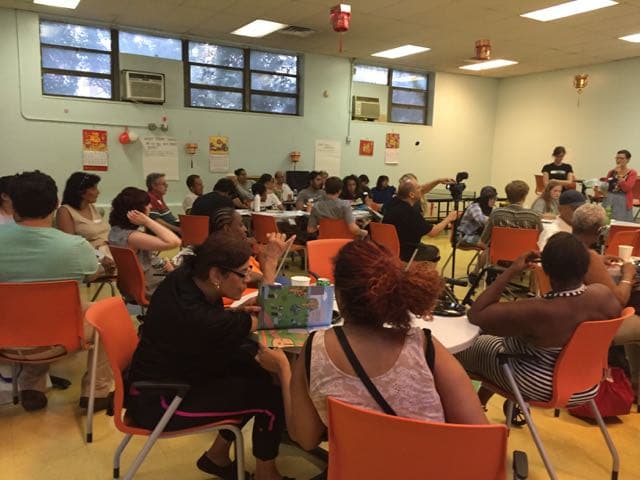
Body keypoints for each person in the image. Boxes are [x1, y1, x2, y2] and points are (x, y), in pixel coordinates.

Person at [264, 240, 487, 451]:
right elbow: (480, 438)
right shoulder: (424, 348)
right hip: (428, 468)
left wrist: (284, 369)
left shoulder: (316, 349)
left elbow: (306, 438)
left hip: (355, 470)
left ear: (338, 295)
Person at [125, 232, 293, 480]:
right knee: (270, 397)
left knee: (255, 369)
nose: (247, 279)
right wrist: (268, 265)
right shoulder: (200, 318)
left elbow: (223, 323)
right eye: (243, 273)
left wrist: (238, 313)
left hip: (170, 375)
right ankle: (266, 475)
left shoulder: (186, 278)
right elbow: (269, 315)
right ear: (216, 275)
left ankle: (217, 456)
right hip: (161, 401)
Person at [456, 233, 620, 409]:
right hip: (587, 382)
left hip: (540, 385)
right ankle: (480, 403)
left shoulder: (539, 310)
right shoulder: (603, 296)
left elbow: (476, 314)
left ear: (545, 268)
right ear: (585, 267)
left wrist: (511, 270)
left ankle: (464, 414)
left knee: (458, 349)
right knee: (498, 344)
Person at [0, 171, 112, 412]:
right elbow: (92, 273)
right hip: (62, 339)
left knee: (29, 316)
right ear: (55, 204)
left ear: (13, 205)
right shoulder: (75, 246)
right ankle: (97, 392)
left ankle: (31, 385)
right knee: (107, 315)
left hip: (5, 339)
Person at [571, 203, 640, 394]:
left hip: (574, 320)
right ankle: (635, 384)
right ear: (599, 230)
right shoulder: (588, 256)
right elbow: (619, 300)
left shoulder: (565, 247)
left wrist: (599, 260)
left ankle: (634, 384)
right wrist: (628, 275)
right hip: (593, 328)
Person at [108, 187, 181, 298]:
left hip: (135, 285)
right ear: (136, 211)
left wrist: (162, 264)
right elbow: (175, 242)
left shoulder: (115, 231)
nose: (150, 206)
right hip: (152, 287)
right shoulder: (133, 237)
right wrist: (147, 221)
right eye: (147, 204)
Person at [383, 178, 459, 262]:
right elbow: (433, 232)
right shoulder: (410, 213)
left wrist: (438, 181)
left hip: (387, 249)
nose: (421, 189)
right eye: (418, 188)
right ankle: (422, 271)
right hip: (406, 252)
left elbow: (423, 189)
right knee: (434, 251)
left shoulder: (391, 203)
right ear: (411, 195)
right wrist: (449, 218)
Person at [56, 172, 115, 276]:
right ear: (80, 192)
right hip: (91, 257)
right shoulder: (64, 211)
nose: (98, 192)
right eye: (93, 188)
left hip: (108, 252)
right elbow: (72, 245)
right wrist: (100, 256)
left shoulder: (92, 207)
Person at [480, 180, 542, 247]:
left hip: (499, 253)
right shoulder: (534, 216)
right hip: (525, 253)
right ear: (524, 197)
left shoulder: (496, 214)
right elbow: (539, 241)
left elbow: (482, 242)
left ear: (507, 196)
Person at [602, 149, 637, 222]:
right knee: (606, 221)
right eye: (617, 158)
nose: (618, 160)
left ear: (628, 160)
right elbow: (606, 185)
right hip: (609, 198)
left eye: (621, 158)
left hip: (623, 199)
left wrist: (618, 175)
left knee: (621, 222)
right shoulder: (611, 172)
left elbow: (627, 188)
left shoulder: (632, 173)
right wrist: (600, 188)